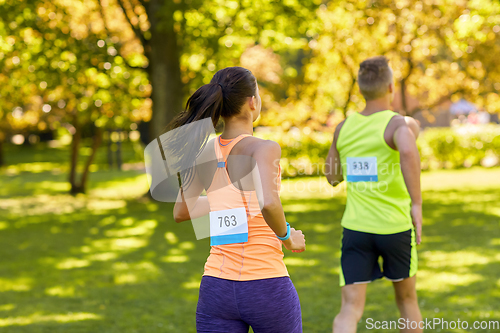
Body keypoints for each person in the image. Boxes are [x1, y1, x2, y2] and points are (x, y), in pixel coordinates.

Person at [172, 67, 306, 333]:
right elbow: (269, 203)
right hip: (266, 284)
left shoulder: (201, 153)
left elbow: (182, 210)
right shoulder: (264, 148)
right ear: (252, 102)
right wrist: (288, 237)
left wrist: (227, 202)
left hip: (216, 288)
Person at [325, 56, 423, 333]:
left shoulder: (343, 128)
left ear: (360, 89)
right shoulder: (398, 125)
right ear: (391, 87)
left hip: (356, 229)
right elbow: (407, 147)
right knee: (407, 302)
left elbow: (332, 177)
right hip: (395, 228)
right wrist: (417, 203)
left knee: (350, 309)